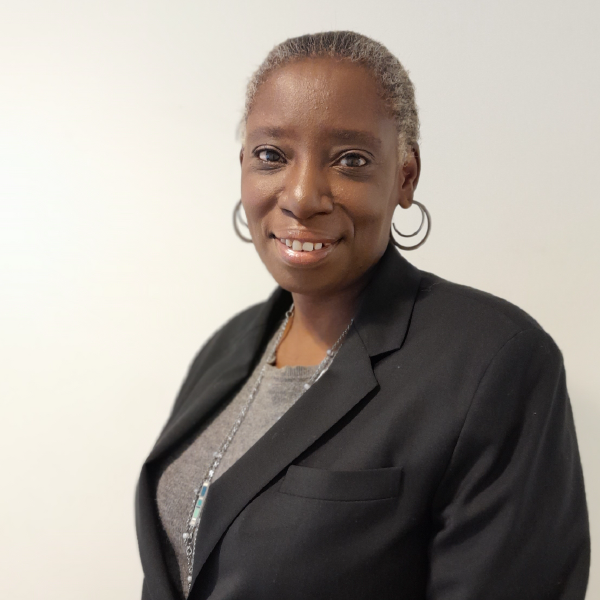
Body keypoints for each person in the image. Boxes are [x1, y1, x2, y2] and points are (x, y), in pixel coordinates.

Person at [135, 31, 590, 600]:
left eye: (350, 160)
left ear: (405, 176)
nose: (301, 196)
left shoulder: (492, 361)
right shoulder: (226, 349)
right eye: (271, 156)